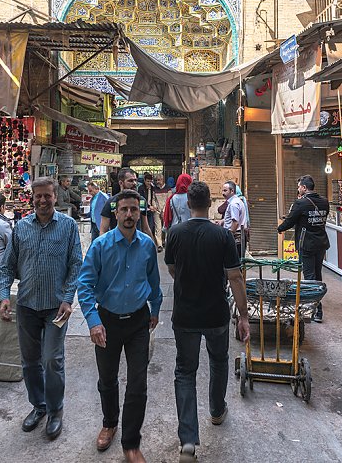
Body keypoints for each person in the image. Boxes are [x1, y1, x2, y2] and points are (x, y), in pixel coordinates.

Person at [165, 181, 250, 462]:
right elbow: (235, 277)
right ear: (211, 202)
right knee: (218, 360)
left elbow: (173, 269)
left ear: (188, 204)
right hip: (216, 314)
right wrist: (244, 316)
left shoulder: (175, 234)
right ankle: (216, 411)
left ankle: (188, 442)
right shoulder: (223, 236)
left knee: (185, 372)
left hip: (186, 315)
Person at [78, 190, 162, 463]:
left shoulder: (147, 245)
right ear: (115, 213)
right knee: (107, 379)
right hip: (107, 322)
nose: (129, 215)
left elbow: (154, 282)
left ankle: (131, 443)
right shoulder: (100, 246)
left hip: (138, 321)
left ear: (140, 213)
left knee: (138, 383)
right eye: (124, 210)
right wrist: (93, 322)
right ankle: (109, 422)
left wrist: (156, 308)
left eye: (134, 210)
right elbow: (85, 285)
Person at [0, 177, 82, 440]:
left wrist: (68, 299)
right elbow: (7, 266)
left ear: (55, 197)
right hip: (27, 305)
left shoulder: (68, 227)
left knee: (52, 360)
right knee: (30, 361)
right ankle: (39, 406)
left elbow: (76, 266)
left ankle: (56, 410)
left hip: (56, 308)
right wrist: (3, 296)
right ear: (32, 199)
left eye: (48, 196)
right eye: (39, 197)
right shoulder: (21, 228)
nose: (43, 201)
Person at [277, 174, 329, 323]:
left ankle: (315, 310)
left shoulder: (301, 204)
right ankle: (315, 305)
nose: (298, 189)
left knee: (309, 277)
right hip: (321, 244)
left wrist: (279, 228)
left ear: (304, 188)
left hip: (306, 245)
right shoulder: (325, 202)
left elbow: (290, 221)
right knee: (317, 275)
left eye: (299, 186)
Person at [99, 168, 154, 241]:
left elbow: (145, 228)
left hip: (136, 245)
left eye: (135, 180)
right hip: (116, 245)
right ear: (121, 183)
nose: (134, 183)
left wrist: (152, 246)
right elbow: (103, 230)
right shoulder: (111, 202)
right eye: (130, 181)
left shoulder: (141, 201)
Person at [220, 181, 249, 258]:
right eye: (222, 190)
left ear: (232, 191)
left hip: (236, 237)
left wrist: (229, 236)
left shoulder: (233, 204)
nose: (223, 193)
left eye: (225, 191)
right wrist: (222, 221)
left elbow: (235, 222)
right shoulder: (236, 201)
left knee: (234, 262)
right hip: (239, 236)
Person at [138, 172, 158, 242]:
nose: (149, 183)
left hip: (151, 210)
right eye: (147, 181)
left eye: (150, 181)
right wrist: (149, 206)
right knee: (144, 226)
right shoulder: (141, 188)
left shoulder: (152, 188)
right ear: (144, 181)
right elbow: (142, 200)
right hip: (144, 209)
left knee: (151, 226)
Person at [153, 174, 169, 251]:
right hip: (156, 211)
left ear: (163, 180)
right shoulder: (154, 189)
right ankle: (159, 245)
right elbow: (153, 199)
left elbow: (168, 201)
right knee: (158, 228)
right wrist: (155, 207)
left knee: (165, 227)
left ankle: (165, 242)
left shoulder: (168, 189)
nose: (157, 182)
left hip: (166, 210)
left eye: (159, 180)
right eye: (156, 180)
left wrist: (164, 211)